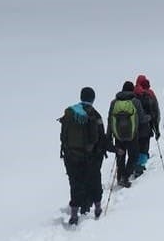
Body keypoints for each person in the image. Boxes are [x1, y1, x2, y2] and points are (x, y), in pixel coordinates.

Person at [59, 86, 109, 225]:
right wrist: (112, 148)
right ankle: (97, 209)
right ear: (93, 98)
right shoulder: (94, 114)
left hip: (71, 156)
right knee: (94, 181)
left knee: (75, 184)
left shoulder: (70, 113)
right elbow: (101, 138)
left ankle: (74, 215)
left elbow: (63, 136)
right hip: (90, 157)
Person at [107, 81, 145, 188]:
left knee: (120, 155)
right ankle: (125, 176)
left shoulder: (114, 102)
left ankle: (119, 177)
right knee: (134, 155)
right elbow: (141, 119)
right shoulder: (135, 102)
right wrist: (148, 118)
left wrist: (109, 135)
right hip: (133, 135)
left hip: (117, 135)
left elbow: (110, 119)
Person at [132, 75, 161, 178]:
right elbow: (155, 113)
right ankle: (139, 167)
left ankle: (134, 165)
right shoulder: (149, 94)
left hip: (132, 128)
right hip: (145, 127)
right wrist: (156, 129)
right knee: (144, 148)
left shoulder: (131, 94)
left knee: (135, 147)